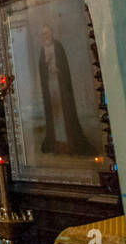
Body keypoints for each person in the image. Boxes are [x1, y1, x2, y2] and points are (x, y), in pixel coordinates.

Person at [37, 24, 93, 155]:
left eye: (48, 33)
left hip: (61, 86)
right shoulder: (42, 50)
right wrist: (47, 67)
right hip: (50, 88)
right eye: (44, 34)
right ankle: (57, 144)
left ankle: (69, 143)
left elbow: (64, 66)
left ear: (52, 34)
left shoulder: (58, 47)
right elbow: (42, 69)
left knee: (64, 115)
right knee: (55, 116)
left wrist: (58, 70)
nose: (46, 36)